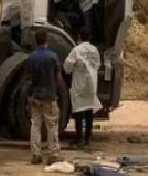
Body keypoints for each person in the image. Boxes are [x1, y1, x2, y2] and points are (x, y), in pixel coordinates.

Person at [27, 29, 61, 165]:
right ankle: (53, 155)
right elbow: (58, 79)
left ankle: (36, 154)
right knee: (51, 126)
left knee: (35, 125)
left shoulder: (32, 57)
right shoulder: (53, 57)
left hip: (36, 97)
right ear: (47, 40)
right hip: (49, 96)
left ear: (36, 42)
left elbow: (28, 79)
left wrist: (31, 95)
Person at [64, 27, 101, 150]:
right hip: (91, 84)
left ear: (79, 37)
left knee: (79, 110)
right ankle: (87, 138)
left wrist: (71, 71)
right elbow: (98, 65)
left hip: (80, 84)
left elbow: (68, 66)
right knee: (89, 110)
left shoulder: (77, 50)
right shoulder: (95, 50)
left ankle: (79, 137)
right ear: (89, 37)